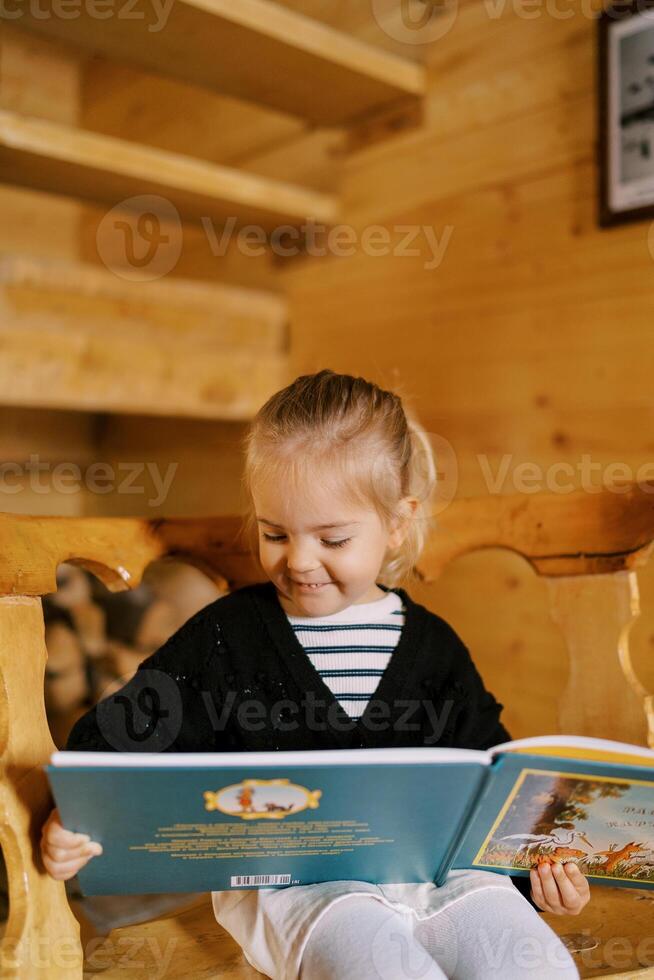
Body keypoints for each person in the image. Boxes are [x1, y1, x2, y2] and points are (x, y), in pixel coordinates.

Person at [40, 370, 589, 980]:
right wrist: (76, 815)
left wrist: (543, 872)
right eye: (274, 533)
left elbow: (495, 779)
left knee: (539, 966)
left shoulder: (433, 646)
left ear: (397, 524)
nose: (298, 561)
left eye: (332, 538)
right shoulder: (227, 636)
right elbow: (122, 734)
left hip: (440, 875)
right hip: (297, 884)